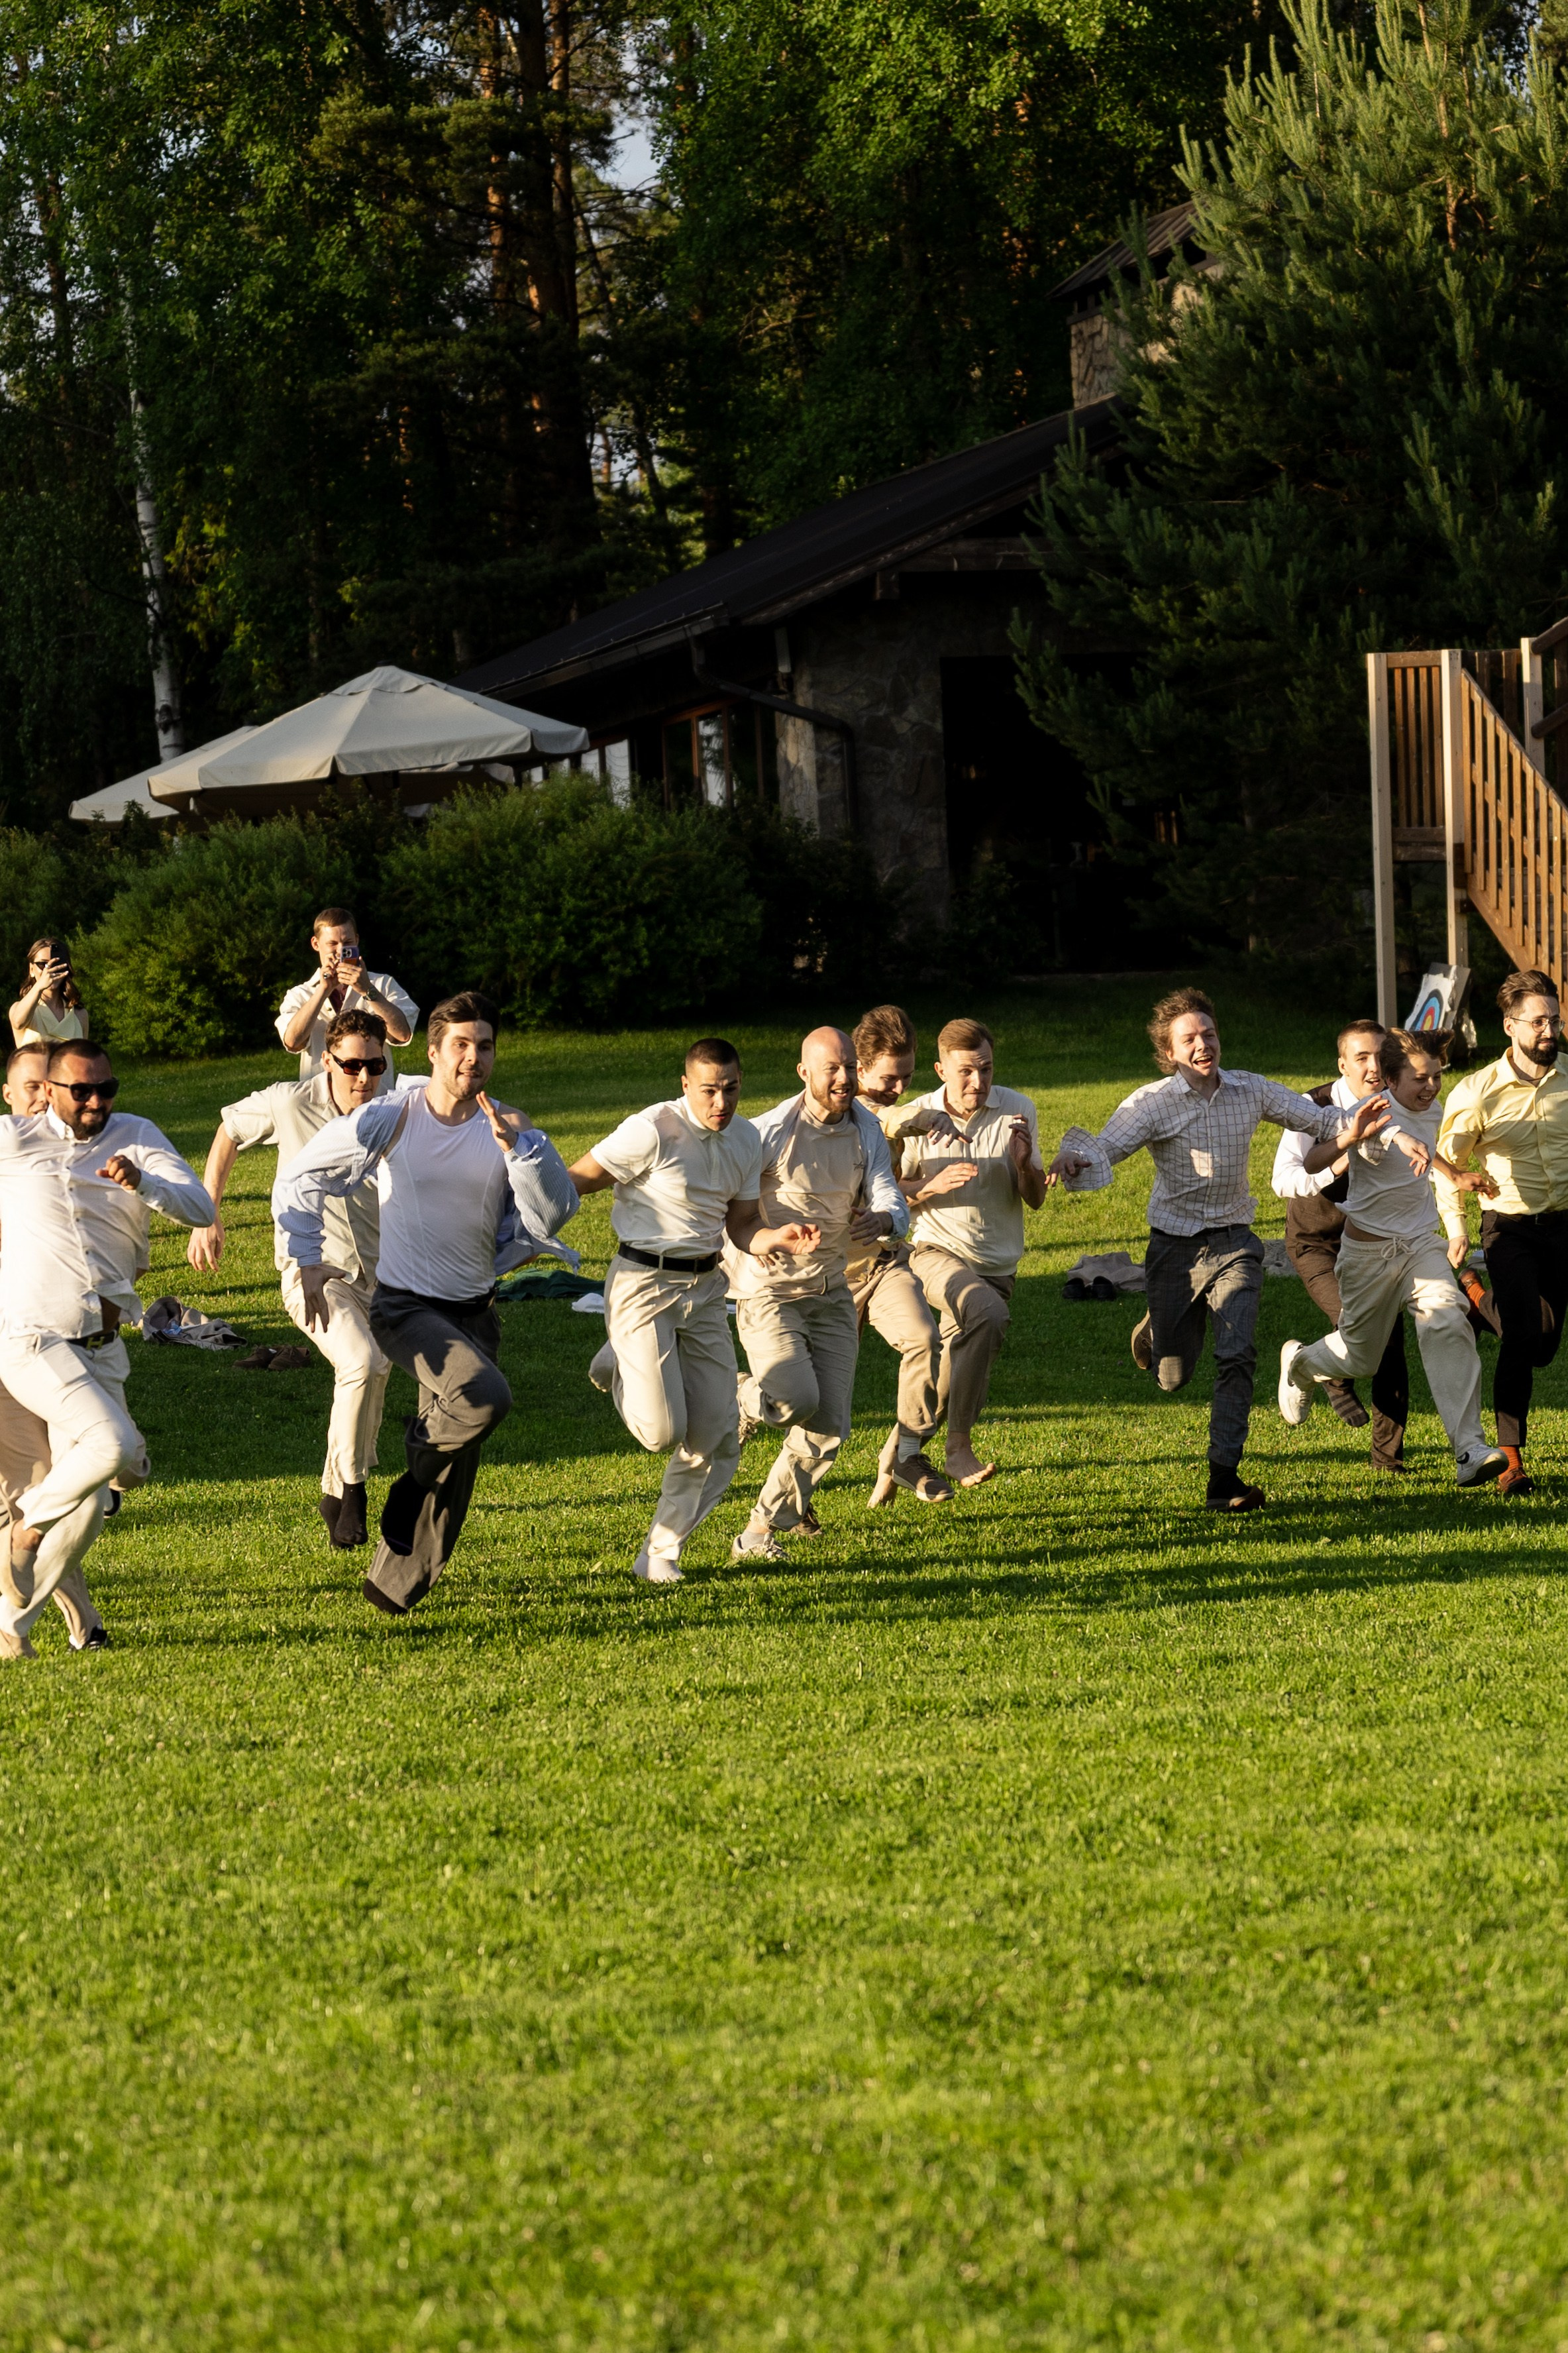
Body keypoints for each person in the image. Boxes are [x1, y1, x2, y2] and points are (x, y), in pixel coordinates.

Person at [273, 990, 578, 1617]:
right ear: (433, 1052)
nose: (474, 1057)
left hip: (474, 1310)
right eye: (461, 1045)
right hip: (406, 1308)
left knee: (455, 1475)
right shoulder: (393, 1116)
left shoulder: (511, 1128)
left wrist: (521, 1152)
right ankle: (410, 1474)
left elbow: (556, 1213)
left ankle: (391, 1589)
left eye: (485, 1046)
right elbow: (302, 1174)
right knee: (484, 1398)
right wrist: (305, 1257)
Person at [1048, 987, 1387, 1512]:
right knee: (1172, 1375)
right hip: (1174, 1250)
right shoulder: (1151, 1103)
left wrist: (1351, 1132)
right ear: (1170, 1052)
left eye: (1208, 1033)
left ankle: (1222, 1480)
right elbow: (1105, 1147)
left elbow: (1317, 1120)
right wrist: (1073, 1158)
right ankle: (1156, 1328)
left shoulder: (1249, 1090)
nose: (1203, 1044)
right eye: (1189, 1038)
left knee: (1237, 1356)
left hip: (1234, 1244)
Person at [567, 1038, 818, 1584]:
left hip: (706, 1288)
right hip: (642, 1281)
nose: (720, 1101)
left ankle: (660, 1552)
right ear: (686, 1086)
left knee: (717, 1435)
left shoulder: (746, 1138)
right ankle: (618, 1360)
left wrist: (777, 1236)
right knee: (661, 1431)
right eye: (709, 1090)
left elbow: (742, 1224)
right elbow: (577, 1180)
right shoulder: (652, 1129)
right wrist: (521, 1216)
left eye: (730, 1089)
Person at [0, 1040, 215, 1661]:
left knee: (92, 1502)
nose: (97, 1102)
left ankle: (13, 1625)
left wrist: (144, 1181)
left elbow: (199, 1207)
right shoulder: (15, 1142)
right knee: (114, 1445)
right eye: (81, 1091)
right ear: (49, 1092)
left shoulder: (136, 1133)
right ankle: (28, 1525)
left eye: (106, 1089)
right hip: (31, 1339)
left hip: (102, 1345)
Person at [188, 1010, 394, 1550]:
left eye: (375, 1065)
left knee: (375, 1370)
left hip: (383, 1274)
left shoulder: (393, 1106)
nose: (365, 1078)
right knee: (362, 1361)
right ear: (327, 1059)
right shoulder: (289, 1100)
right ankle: (353, 1491)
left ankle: (332, 1490)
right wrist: (209, 1211)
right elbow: (229, 1129)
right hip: (312, 1272)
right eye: (352, 1065)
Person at [1279, 1028, 1505, 1486]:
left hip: (1420, 1244)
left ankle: (1468, 1448)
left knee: (1446, 1319)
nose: (1430, 1087)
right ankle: (1300, 1363)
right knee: (1361, 1359)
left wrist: (1454, 1175)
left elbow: (1428, 1148)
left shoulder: (1433, 1109)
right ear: (1389, 1079)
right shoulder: (1365, 1113)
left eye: (1436, 1077)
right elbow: (1317, 1160)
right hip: (1367, 1253)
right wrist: (1353, 1138)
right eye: (1420, 1078)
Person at [725, 1026, 908, 1563]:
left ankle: (760, 1530)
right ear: (804, 1072)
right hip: (770, 1292)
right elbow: (725, 1204)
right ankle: (737, 1392)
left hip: (832, 1290)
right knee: (792, 1401)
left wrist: (886, 1219)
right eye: (831, 1068)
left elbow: (888, 1193)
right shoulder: (768, 1131)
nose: (845, 1078)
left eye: (850, 1066)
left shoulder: (865, 1128)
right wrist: (760, 1241)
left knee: (829, 1425)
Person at [1435, 968, 1568, 1498]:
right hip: (1508, 1228)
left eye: (1554, 1020)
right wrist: (1456, 1228)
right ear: (1510, 1025)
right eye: (1538, 1022)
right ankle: (1511, 1461)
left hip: (1563, 1225)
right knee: (1519, 1341)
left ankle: (1473, 1294)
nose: (1548, 1031)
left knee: (1542, 1345)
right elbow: (1447, 1163)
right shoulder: (1476, 1092)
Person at [898, 1017, 1046, 1490]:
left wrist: (1024, 1166)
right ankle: (957, 1448)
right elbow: (882, 1197)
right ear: (940, 1069)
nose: (977, 1082)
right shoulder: (915, 1116)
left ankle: (895, 1465)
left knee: (947, 1385)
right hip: (933, 1251)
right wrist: (929, 1185)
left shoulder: (1017, 1109)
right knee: (987, 1314)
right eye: (965, 1071)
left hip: (998, 1266)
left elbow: (1035, 1197)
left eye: (985, 1069)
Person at [0, 1043, 107, 1650]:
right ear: (11, 1096)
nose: (45, 1097)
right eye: (32, 1087)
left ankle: (69, 1619)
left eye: (52, 1086)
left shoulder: (67, 1172)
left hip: (33, 1346)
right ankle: (62, 1622)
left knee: (43, 1491)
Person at [1271, 1017, 1411, 1473]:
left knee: (1389, 1339)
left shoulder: (1401, 1101)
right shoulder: (1309, 1106)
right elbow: (1282, 1180)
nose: (1373, 1066)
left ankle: (1386, 1459)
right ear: (1341, 1063)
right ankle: (1320, 1367)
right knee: (1357, 1324)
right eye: (1361, 1057)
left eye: (1380, 1055)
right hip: (1317, 1240)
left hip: (1375, 1243)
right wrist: (1337, 1163)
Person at [848, 1005, 959, 1506]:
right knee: (810, 1400)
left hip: (885, 1261)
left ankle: (908, 1450)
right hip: (827, 1274)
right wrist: (927, 1116)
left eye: (907, 1077)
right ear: (858, 1068)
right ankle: (790, 1500)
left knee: (922, 1337)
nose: (896, 1087)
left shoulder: (891, 1108)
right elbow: (892, 1118)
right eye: (887, 1078)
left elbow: (897, 1126)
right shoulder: (846, 1114)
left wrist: (932, 1115)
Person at [276, 906, 417, 1078]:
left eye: (348, 943)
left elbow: (403, 1034)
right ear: (316, 944)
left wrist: (368, 990)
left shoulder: (382, 984)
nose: (340, 951)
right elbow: (292, 1042)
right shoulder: (300, 994)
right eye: (332, 944)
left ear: (357, 941)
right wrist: (323, 991)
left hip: (374, 1096)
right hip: (320, 1099)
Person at [10, 936, 87, 1050]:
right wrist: (39, 986)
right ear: (32, 970)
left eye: (57, 964)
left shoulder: (79, 1014)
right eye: (43, 965)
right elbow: (18, 1022)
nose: (50, 970)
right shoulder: (20, 1009)